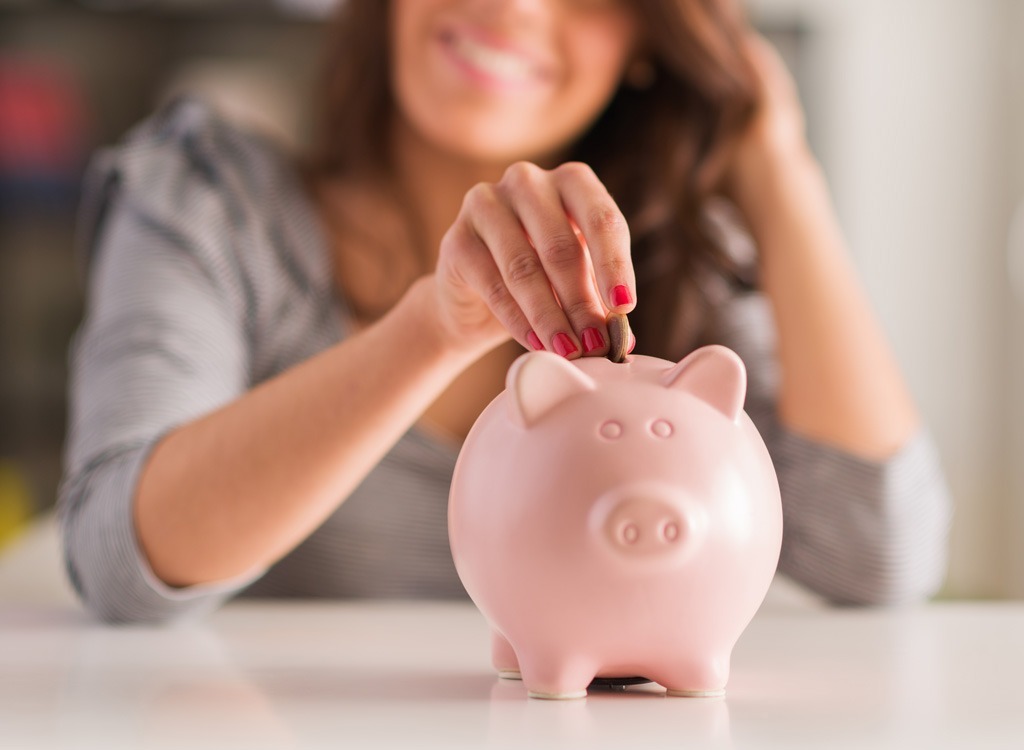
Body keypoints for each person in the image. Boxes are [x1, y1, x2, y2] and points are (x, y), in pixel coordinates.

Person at [59, 0, 951, 624]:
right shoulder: (213, 199)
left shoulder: (679, 256)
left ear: (649, 35)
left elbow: (876, 557)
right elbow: (117, 563)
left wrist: (777, 165)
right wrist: (432, 331)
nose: (515, 5)